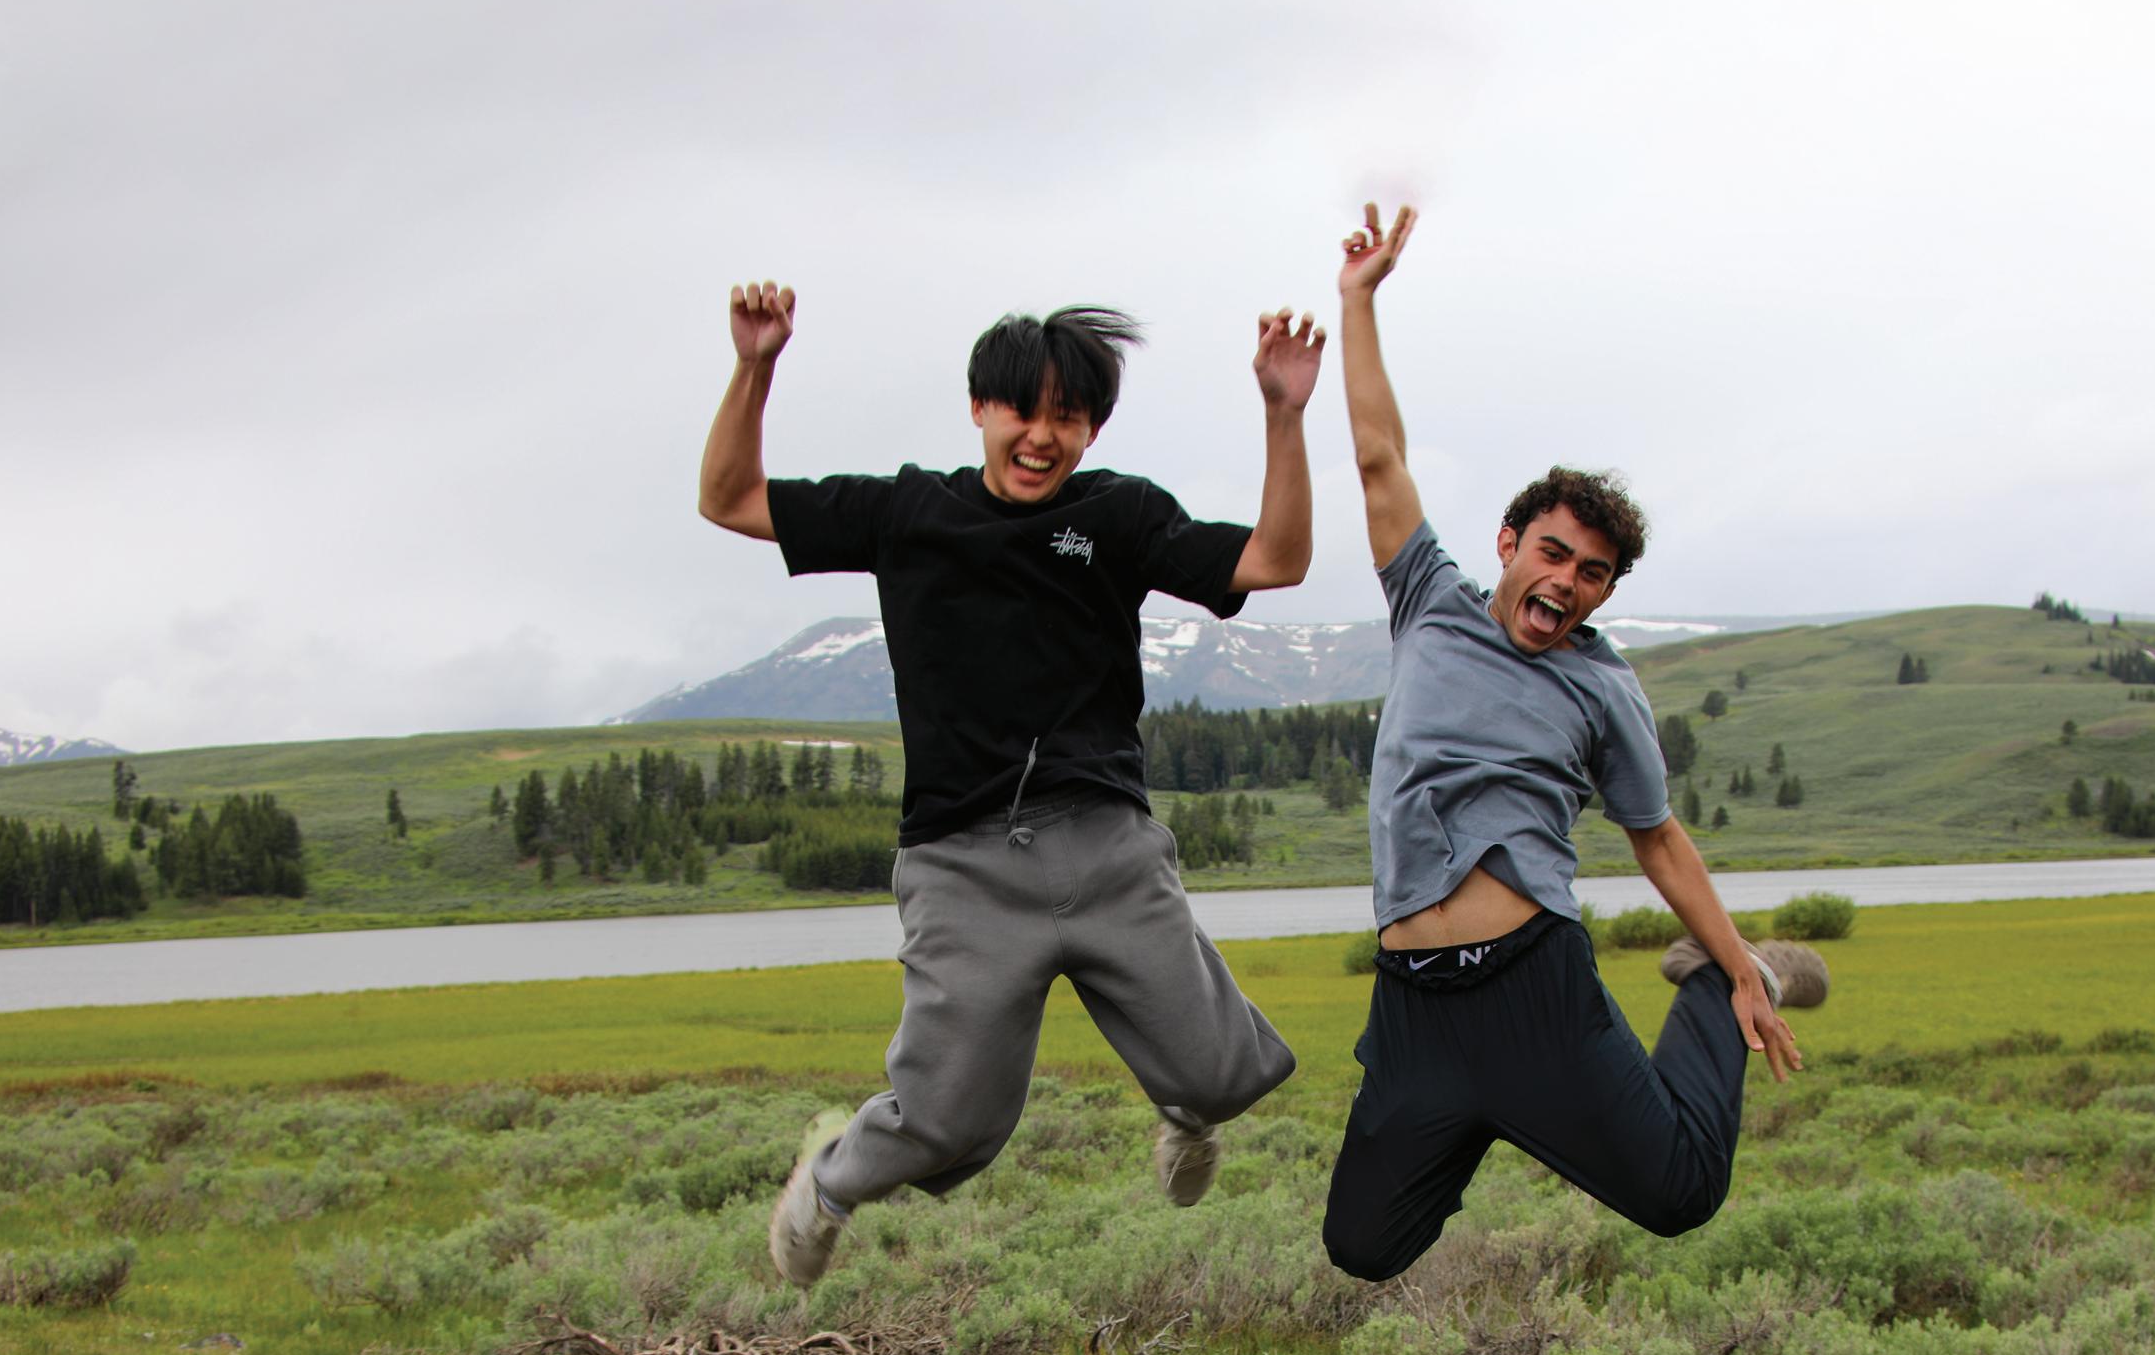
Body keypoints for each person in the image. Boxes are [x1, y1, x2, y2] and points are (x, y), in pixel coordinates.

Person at [698, 280, 1321, 1286]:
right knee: (947, 1119)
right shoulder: (908, 510)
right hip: (962, 862)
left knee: (1220, 1071)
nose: (1041, 436)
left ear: (1092, 427)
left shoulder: (1117, 513)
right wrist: (755, 365)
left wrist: (1282, 413)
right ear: (980, 407)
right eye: (1021, 411)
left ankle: (1186, 1111)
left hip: (1106, 846)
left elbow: (1275, 559)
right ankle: (830, 1179)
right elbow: (728, 498)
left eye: (1065, 416)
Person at [1319, 205, 1829, 1283]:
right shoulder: (1428, 601)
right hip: (1413, 1005)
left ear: (1601, 592)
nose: (1564, 581)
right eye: (1551, 553)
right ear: (1509, 544)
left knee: (1680, 1191)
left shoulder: (1600, 686)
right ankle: (1475, 1116)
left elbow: (1657, 836)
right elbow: (1376, 456)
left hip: (1532, 987)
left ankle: (1716, 983)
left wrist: (1732, 959)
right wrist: (1358, 299)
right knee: (1360, 1246)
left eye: (1590, 573)